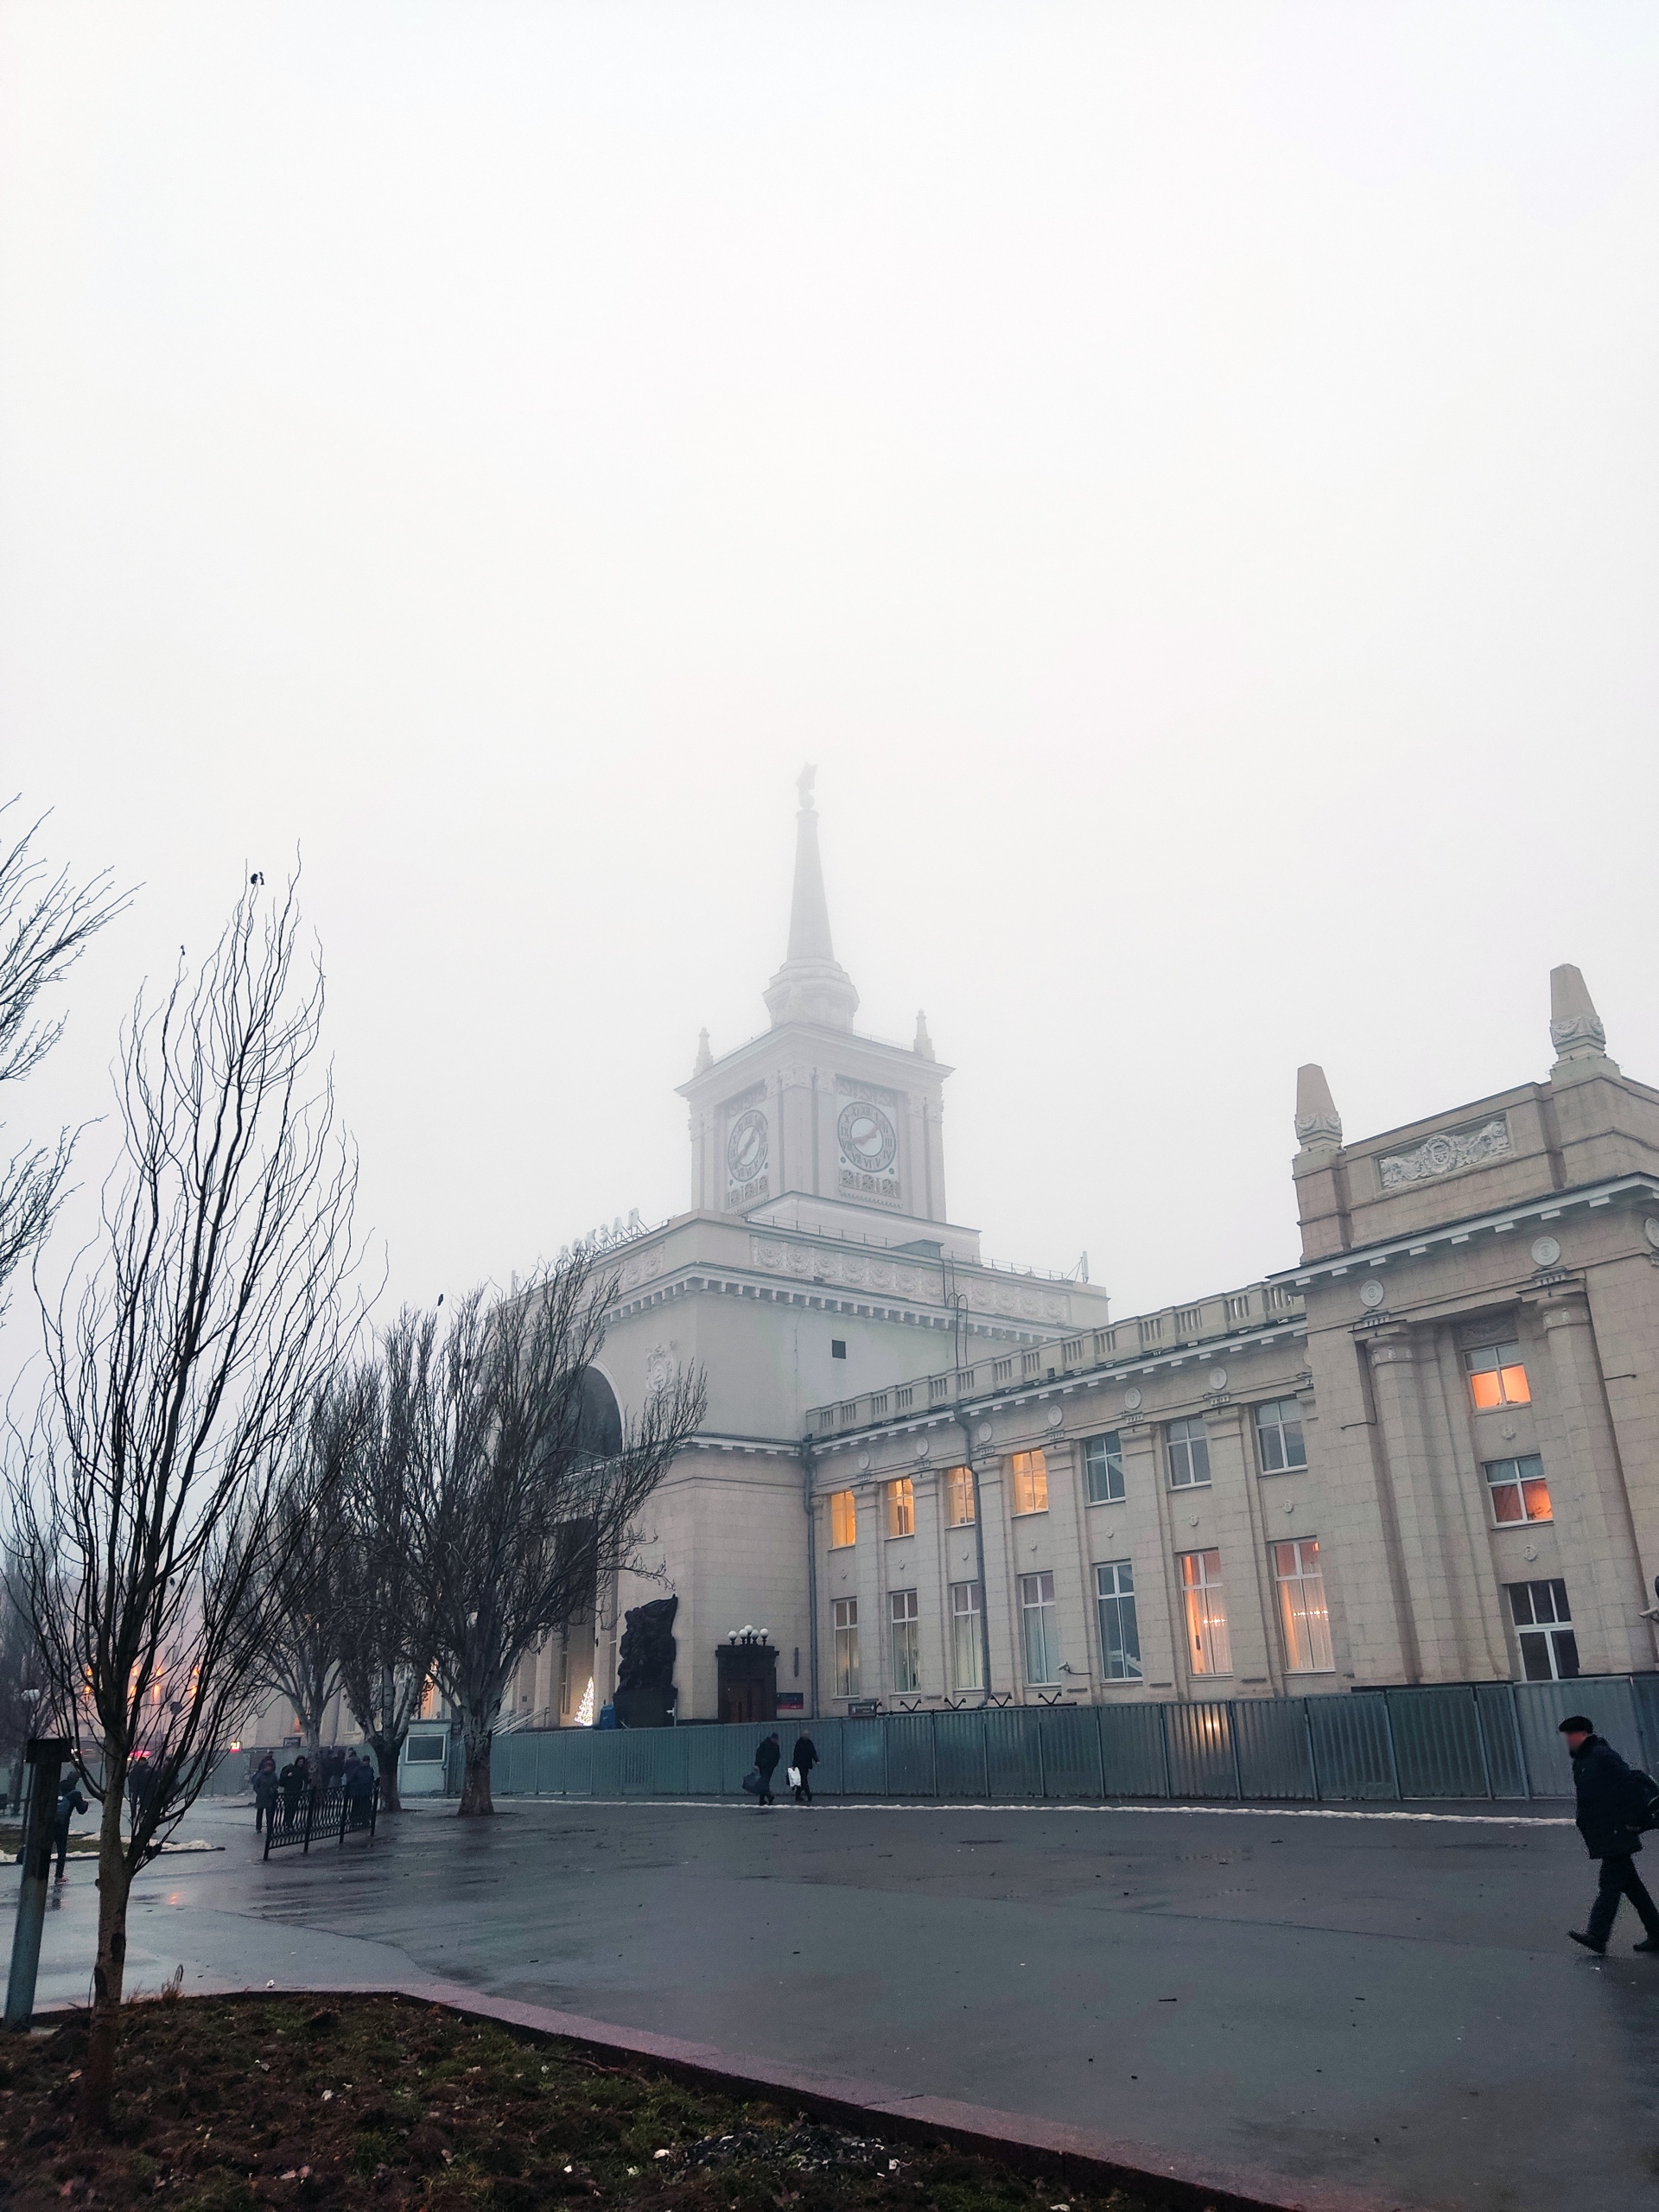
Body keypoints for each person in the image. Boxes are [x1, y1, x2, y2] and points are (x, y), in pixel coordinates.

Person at [1560, 1713, 1659, 1955]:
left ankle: (1597, 1934)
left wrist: (1636, 1821)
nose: (1568, 1742)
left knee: (1609, 1885)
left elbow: (1628, 1786)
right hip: (1604, 1832)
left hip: (1616, 1831)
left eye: (1570, 1736)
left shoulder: (1602, 1755)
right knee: (1632, 1886)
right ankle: (1657, 1933)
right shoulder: (1582, 1761)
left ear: (1582, 1734)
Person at [51, 1772, 90, 1882]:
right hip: (62, 1824)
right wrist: (86, 1803)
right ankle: (59, 1876)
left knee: (45, 1848)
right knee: (61, 1850)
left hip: (49, 1822)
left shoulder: (57, 1787)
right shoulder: (75, 1794)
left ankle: (39, 1872)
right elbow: (81, 1810)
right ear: (76, 1781)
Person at [753, 1730, 781, 1808]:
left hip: (770, 1767)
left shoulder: (775, 1746)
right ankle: (769, 1796)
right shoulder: (764, 1744)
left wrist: (774, 1764)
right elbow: (758, 1754)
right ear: (772, 1738)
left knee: (764, 1782)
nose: (776, 1741)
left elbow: (777, 1756)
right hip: (763, 1766)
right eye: (775, 1739)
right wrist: (757, 1764)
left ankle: (762, 1799)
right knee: (764, 1782)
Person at [791, 1732, 818, 1806]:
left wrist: (816, 1760)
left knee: (802, 1780)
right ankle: (808, 1794)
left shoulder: (809, 1743)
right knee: (803, 1780)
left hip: (806, 1765)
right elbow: (796, 1754)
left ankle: (798, 1795)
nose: (807, 1736)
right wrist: (794, 1765)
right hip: (799, 1765)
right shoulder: (799, 1743)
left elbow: (813, 1752)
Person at [253, 1753, 278, 1834]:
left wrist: (272, 1789)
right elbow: (256, 1785)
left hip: (269, 1797)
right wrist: (260, 1792)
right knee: (260, 1813)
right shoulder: (260, 1775)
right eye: (267, 1766)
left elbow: (276, 1784)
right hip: (261, 1797)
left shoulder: (273, 1775)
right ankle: (258, 1827)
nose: (269, 1768)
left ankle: (269, 1828)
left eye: (270, 1767)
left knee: (269, 1814)